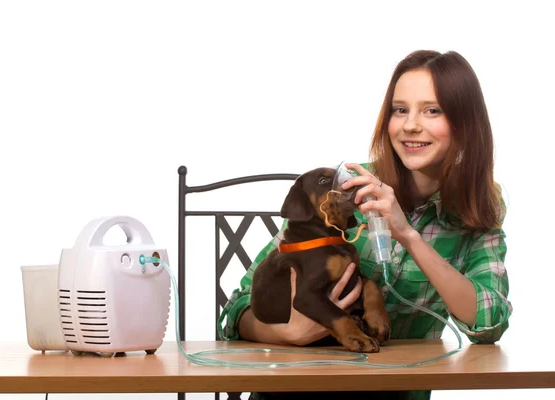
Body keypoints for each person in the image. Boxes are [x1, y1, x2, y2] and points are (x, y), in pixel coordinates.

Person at [217, 50, 513, 400]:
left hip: (393, 393)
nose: (410, 125)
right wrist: (288, 334)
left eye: (432, 110)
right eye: (400, 109)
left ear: (465, 124)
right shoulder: (347, 188)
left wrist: (407, 235)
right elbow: (236, 312)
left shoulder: (476, 210)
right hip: (294, 391)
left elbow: (489, 323)